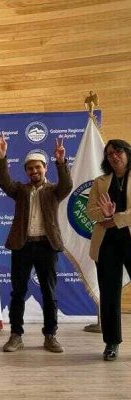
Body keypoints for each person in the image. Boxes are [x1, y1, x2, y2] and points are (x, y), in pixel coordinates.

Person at [0, 135, 72, 353]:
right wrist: (1, 156)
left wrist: (61, 161)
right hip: (22, 246)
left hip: (47, 246)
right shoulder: (20, 190)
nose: (34, 171)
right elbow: (5, 183)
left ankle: (50, 335)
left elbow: (67, 185)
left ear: (45, 168)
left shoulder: (54, 191)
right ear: (26, 172)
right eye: (30, 168)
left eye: (38, 167)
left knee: (49, 292)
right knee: (18, 293)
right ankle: (16, 335)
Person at [87, 139, 131, 361]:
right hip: (107, 243)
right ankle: (111, 343)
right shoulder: (100, 182)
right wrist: (104, 214)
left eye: (118, 151)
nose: (114, 156)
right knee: (109, 294)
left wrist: (115, 219)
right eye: (110, 153)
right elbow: (90, 211)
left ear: (128, 153)